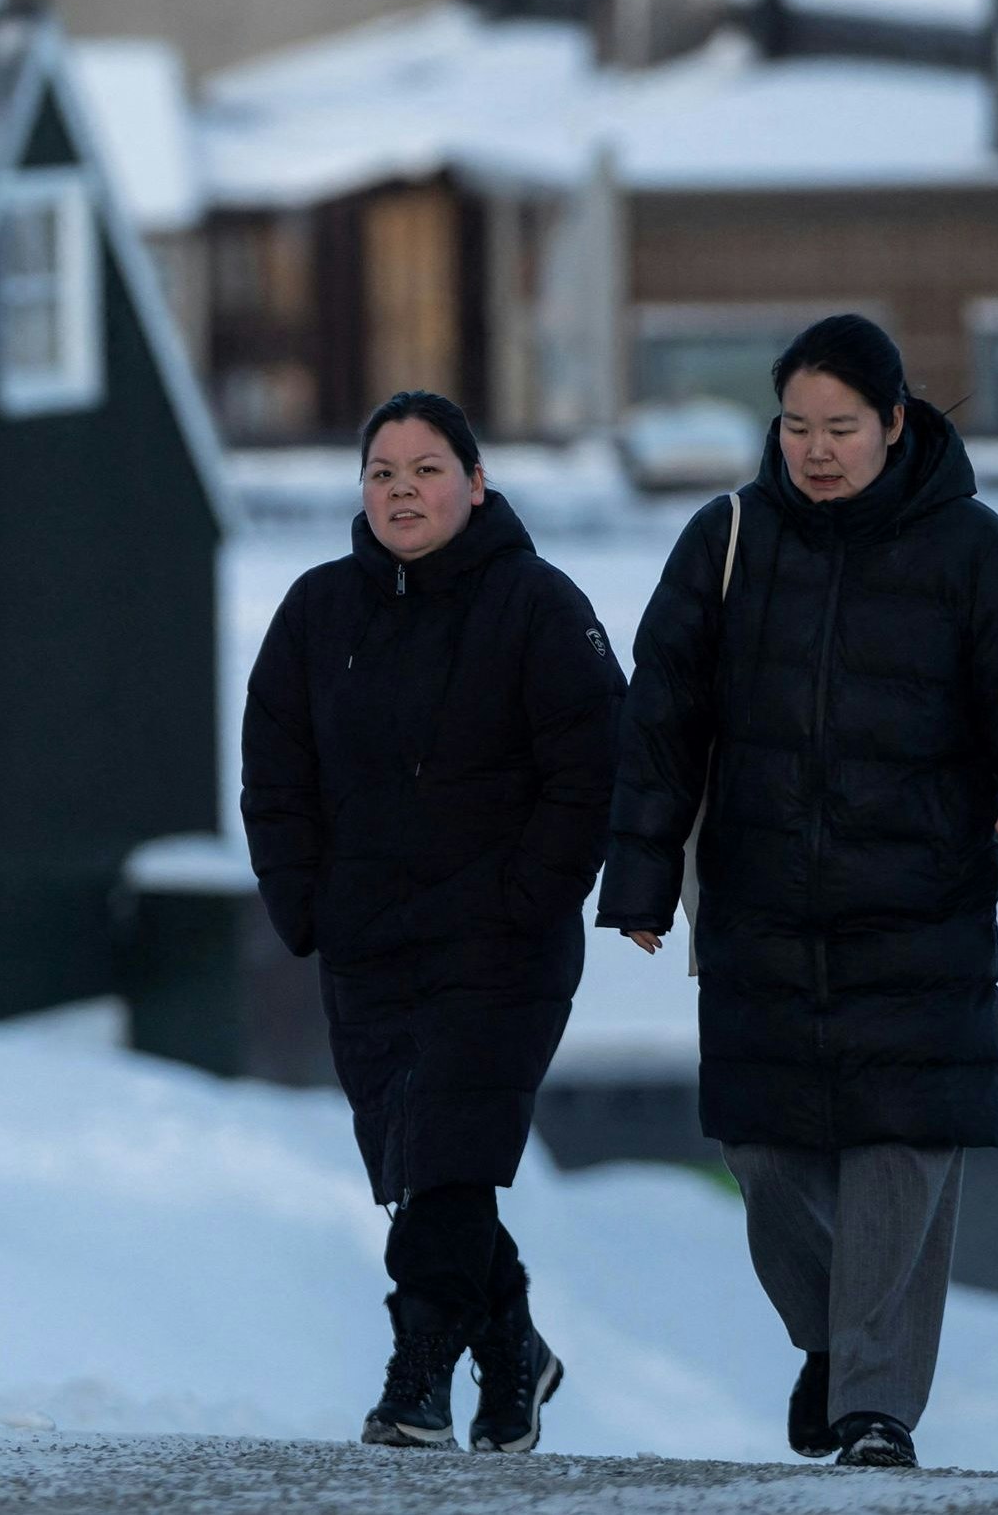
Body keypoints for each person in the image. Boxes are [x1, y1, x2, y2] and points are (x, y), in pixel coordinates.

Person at [597, 316, 998, 1472]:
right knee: (766, 1159)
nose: (815, 450)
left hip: (918, 914)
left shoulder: (974, 555)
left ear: (892, 425)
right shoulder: (722, 542)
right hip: (759, 915)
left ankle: (876, 1409)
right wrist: (639, 881)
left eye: (839, 428)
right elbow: (660, 725)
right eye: (794, 427)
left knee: (897, 1158)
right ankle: (835, 1347)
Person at [242, 390, 622, 1454]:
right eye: (380, 472)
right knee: (424, 1164)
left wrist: (529, 896)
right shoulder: (318, 611)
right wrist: (301, 900)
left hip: (501, 946)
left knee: (449, 1153)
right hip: (367, 945)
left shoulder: (540, 606)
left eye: (424, 469)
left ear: (475, 482)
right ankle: (514, 1353)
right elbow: (274, 769)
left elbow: (593, 769)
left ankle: (414, 1381)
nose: (402, 490)